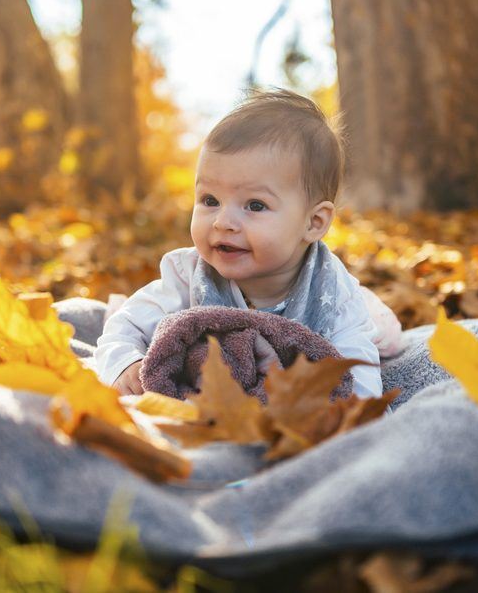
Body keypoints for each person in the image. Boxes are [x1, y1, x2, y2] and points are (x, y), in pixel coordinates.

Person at [94, 88, 404, 397]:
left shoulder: (332, 293)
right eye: (210, 200)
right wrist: (124, 363)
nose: (222, 222)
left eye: (255, 205)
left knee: (384, 336)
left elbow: (356, 371)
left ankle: (374, 309)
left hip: (346, 318)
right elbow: (125, 328)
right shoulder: (188, 276)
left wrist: (353, 411)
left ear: (314, 223)